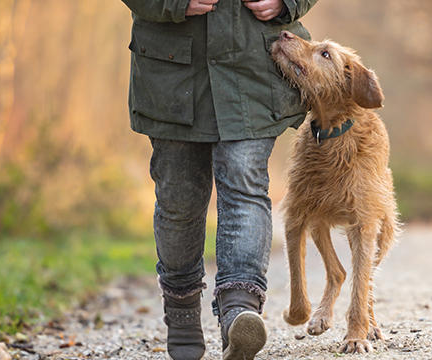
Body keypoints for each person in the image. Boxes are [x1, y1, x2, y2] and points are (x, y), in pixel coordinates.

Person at [118, 0, 318, 359]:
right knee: (179, 199)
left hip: (254, 67)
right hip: (172, 69)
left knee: (246, 184)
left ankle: (240, 311)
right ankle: (181, 312)